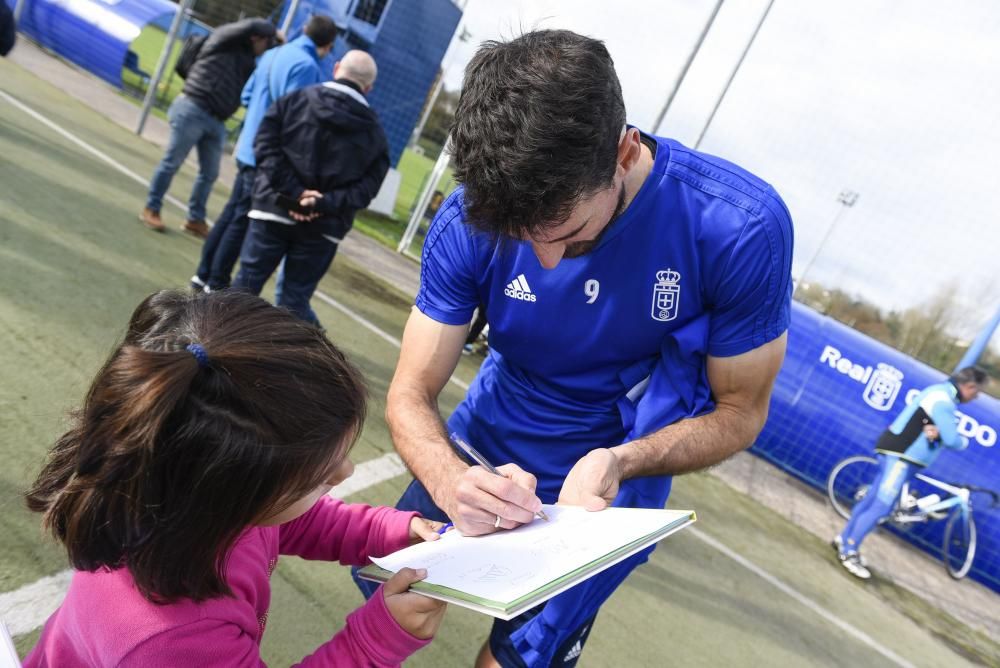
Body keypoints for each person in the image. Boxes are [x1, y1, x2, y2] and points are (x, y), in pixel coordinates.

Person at [357, 29, 794, 667]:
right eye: (520, 234)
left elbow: (740, 412)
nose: (546, 260)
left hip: (612, 482)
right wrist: (452, 482)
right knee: (386, 607)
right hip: (481, 444)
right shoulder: (468, 214)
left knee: (521, 658)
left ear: (624, 151)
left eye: (569, 232)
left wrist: (619, 462)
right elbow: (409, 390)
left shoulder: (740, 227)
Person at [23, 290, 447, 666]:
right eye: (317, 478)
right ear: (236, 491)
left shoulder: (191, 496)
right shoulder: (171, 641)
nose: (346, 472)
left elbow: (294, 519)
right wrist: (374, 641)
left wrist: (394, 530)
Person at [233, 50, 389, 326]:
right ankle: (306, 362)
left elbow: (265, 146)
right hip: (324, 226)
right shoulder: (376, 132)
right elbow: (367, 188)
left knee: (244, 288)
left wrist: (295, 194)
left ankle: (211, 349)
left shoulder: (295, 100)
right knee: (294, 302)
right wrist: (320, 203)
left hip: (274, 207)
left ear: (337, 68)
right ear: (369, 88)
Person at [192, 14, 339, 294]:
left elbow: (246, 96)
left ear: (305, 30)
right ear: (328, 46)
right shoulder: (307, 66)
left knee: (231, 213)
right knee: (242, 221)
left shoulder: (273, 53)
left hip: (247, 145)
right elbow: (299, 118)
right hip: (269, 154)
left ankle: (203, 276)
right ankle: (216, 282)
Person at [834, 366, 989, 579]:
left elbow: (937, 431)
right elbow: (953, 439)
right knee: (881, 506)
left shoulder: (940, 393)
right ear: (969, 386)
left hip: (898, 454)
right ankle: (849, 551)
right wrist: (962, 440)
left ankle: (844, 539)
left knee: (872, 500)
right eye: (976, 393)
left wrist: (940, 434)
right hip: (901, 457)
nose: (975, 398)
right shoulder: (943, 399)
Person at [140, 18, 277, 237]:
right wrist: (275, 31)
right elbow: (251, 25)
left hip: (216, 120)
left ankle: (195, 219)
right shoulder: (222, 40)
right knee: (172, 162)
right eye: (267, 42)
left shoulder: (249, 60)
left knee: (210, 173)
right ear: (255, 38)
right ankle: (151, 208)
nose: (267, 47)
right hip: (193, 108)